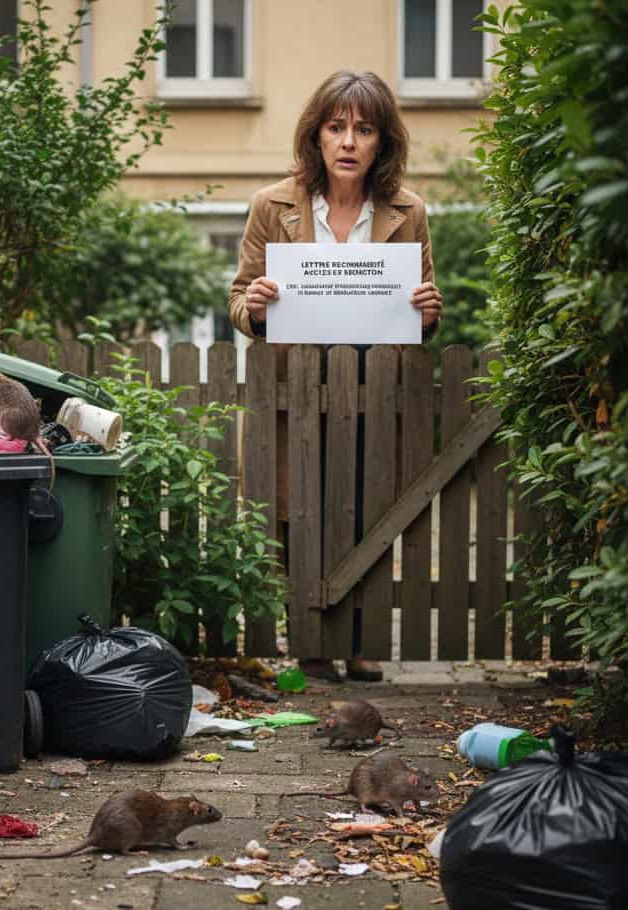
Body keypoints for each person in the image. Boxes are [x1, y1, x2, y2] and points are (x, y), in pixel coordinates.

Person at [228, 70, 443, 683]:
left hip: (374, 388)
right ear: (316, 136)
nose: (349, 142)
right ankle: (310, 643)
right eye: (336, 127)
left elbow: (423, 303)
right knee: (296, 514)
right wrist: (255, 307)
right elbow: (239, 298)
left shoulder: (408, 211)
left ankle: (361, 641)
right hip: (292, 386)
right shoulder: (272, 205)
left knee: (365, 512)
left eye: (364, 129)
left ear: (382, 143)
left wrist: (430, 312)